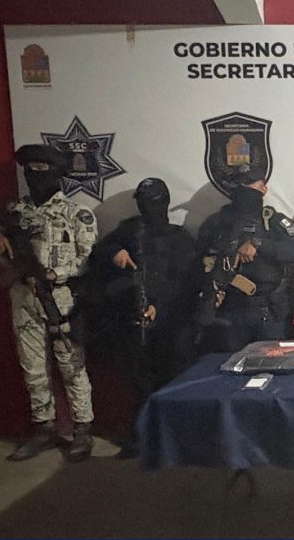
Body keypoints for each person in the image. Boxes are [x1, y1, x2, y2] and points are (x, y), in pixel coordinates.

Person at [0, 145, 97, 462]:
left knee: (71, 365)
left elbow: (87, 258)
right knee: (33, 368)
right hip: (23, 298)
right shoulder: (14, 213)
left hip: (60, 299)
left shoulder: (76, 213)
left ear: (57, 172)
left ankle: (83, 429)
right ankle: (43, 427)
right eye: (29, 169)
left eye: (41, 169)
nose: (33, 175)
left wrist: (53, 273)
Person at [88, 177, 198, 457]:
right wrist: (115, 252)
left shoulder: (179, 237)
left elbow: (187, 281)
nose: (148, 207)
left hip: (172, 323)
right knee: (139, 382)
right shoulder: (130, 230)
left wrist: (159, 306)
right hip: (136, 321)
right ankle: (142, 438)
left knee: (174, 380)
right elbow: (98, 253)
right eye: (144, 202)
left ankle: (175, 439)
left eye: (153, 202)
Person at [196, 167, 294, 351]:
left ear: (264, 189)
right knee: (230, 364)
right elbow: (199, 262)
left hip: (268, 310)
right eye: (241, 185)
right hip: (231, 311)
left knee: (273, 364)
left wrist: (258, 243)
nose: (245, 190)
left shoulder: (272, 221)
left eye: (251, 185)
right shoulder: (216, 223)